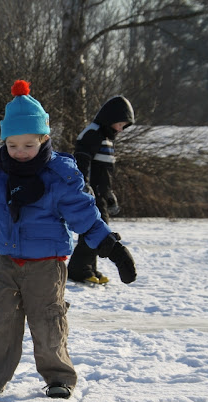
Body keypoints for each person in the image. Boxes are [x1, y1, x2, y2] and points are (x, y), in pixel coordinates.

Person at [0, 80, 136, 399]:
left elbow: (85, 216)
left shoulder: (59, 177)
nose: (19, 152)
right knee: (0, 319)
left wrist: (111, 248)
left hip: (46, 264)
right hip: (6, 262)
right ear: (5, 141)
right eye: (13, 145)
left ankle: (59, 376)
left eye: (28, 145)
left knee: (48, 321)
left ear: (44, 139)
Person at [67, 96, 135, 285]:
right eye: (120, 124)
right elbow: (82, 161)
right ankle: (78, 269)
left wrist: (109, 194)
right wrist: (84, 185)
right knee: (95, 231)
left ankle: (89, 267)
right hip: (91, 194)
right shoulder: (93, 133)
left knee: (99, 230)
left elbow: (104, 173)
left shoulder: (106, 138)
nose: (121, 129)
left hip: (100, 194)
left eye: (124, 126)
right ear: (110, 118)